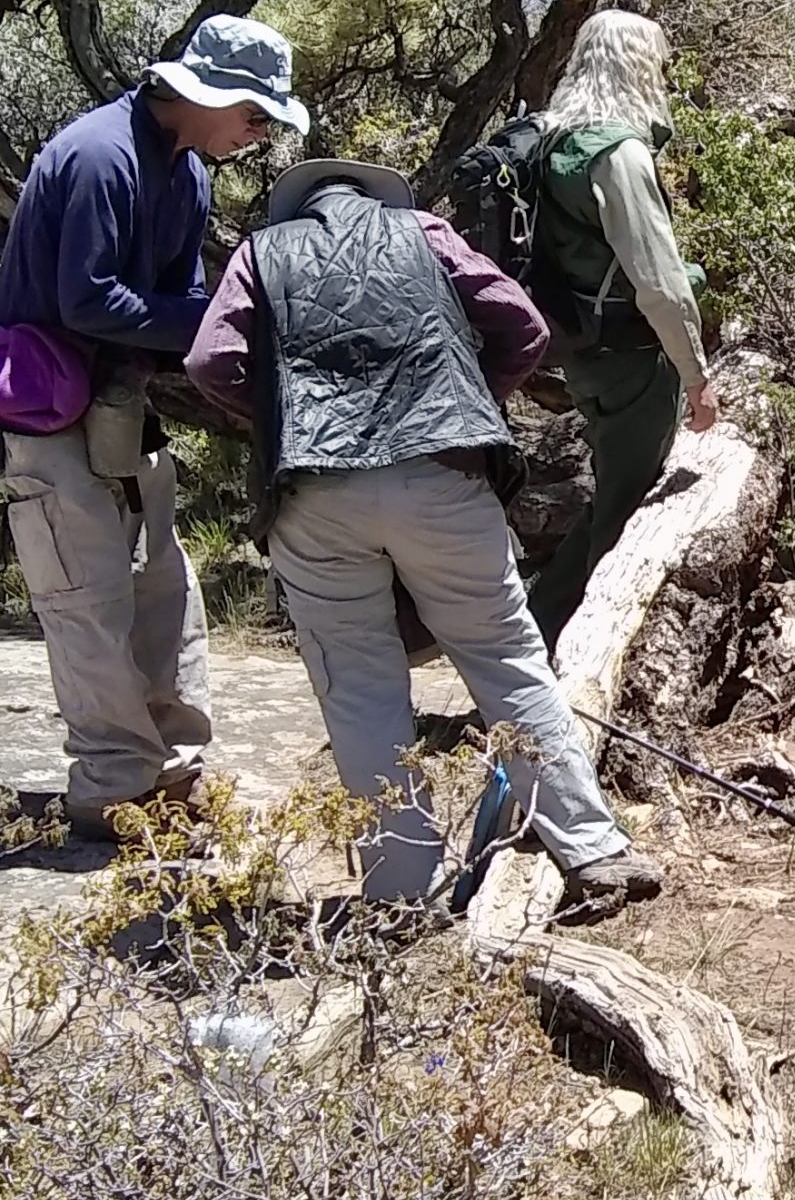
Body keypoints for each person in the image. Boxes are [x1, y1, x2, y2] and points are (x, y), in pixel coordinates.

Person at [185, 159, 658, 911]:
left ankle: (401, 891)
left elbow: (212, 360)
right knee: (506, 658)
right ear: (376, 196)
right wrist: (470, 403)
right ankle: (593, 849)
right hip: (444, 473)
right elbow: (524, 326)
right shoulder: (425, 232)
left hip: (315, 491)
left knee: (359, 686)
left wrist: (277, 423)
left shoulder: (260, 253)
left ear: (294, 206)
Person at [0, 17, 309, 834]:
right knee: (84, 597)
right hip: (51, 408)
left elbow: (170, 309)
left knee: (162, 585)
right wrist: (223, 323)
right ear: (208, 95)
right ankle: (111, 786)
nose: (259, 132)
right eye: (255, 114)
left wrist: (211, 330)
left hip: (122, 406)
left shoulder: (184, 170)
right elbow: (89, 301)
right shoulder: (102, 155)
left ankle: (169, 770)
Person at [523, 10, 719, 646]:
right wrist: (696, 377)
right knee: (627, 512)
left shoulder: (553, 140)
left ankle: (533, 631)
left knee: (614, 490)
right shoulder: (619, 152)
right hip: (634, 358)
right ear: (640, 67)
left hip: (581, 350)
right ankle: (578, 655)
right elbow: (659, 282)